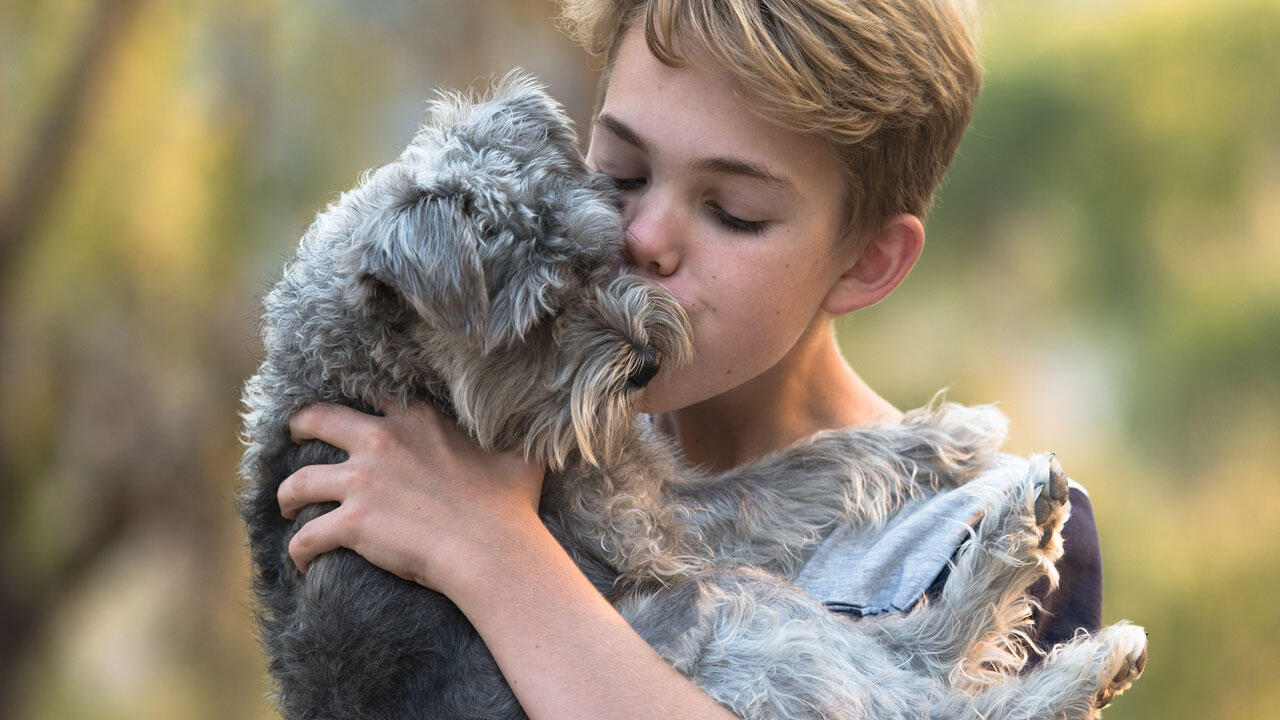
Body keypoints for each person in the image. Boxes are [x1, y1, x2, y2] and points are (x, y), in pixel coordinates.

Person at [275, 1, 1102, 717]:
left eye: (733, 212)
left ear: (866, 262)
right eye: (622, 170)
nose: (642, 237)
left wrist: (498, 555)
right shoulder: (461, 441)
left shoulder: (986, 534)